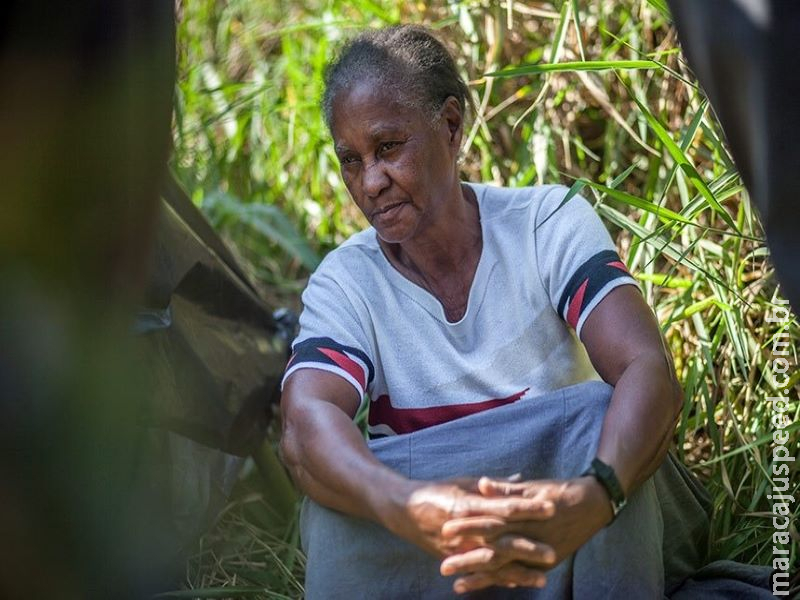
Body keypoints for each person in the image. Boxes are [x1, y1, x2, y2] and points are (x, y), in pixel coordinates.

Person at [279, 25, 773, 598]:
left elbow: (646, 367)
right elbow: (304, 421)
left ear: (451, 125)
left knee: (596, 415)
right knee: (332, 513)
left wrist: (597, 493)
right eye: (351, 160)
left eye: (389, 147)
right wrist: (404, 504)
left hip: (586, 507)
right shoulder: (348, 280)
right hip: (441, 536)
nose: (371, 182)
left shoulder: (544, 224)